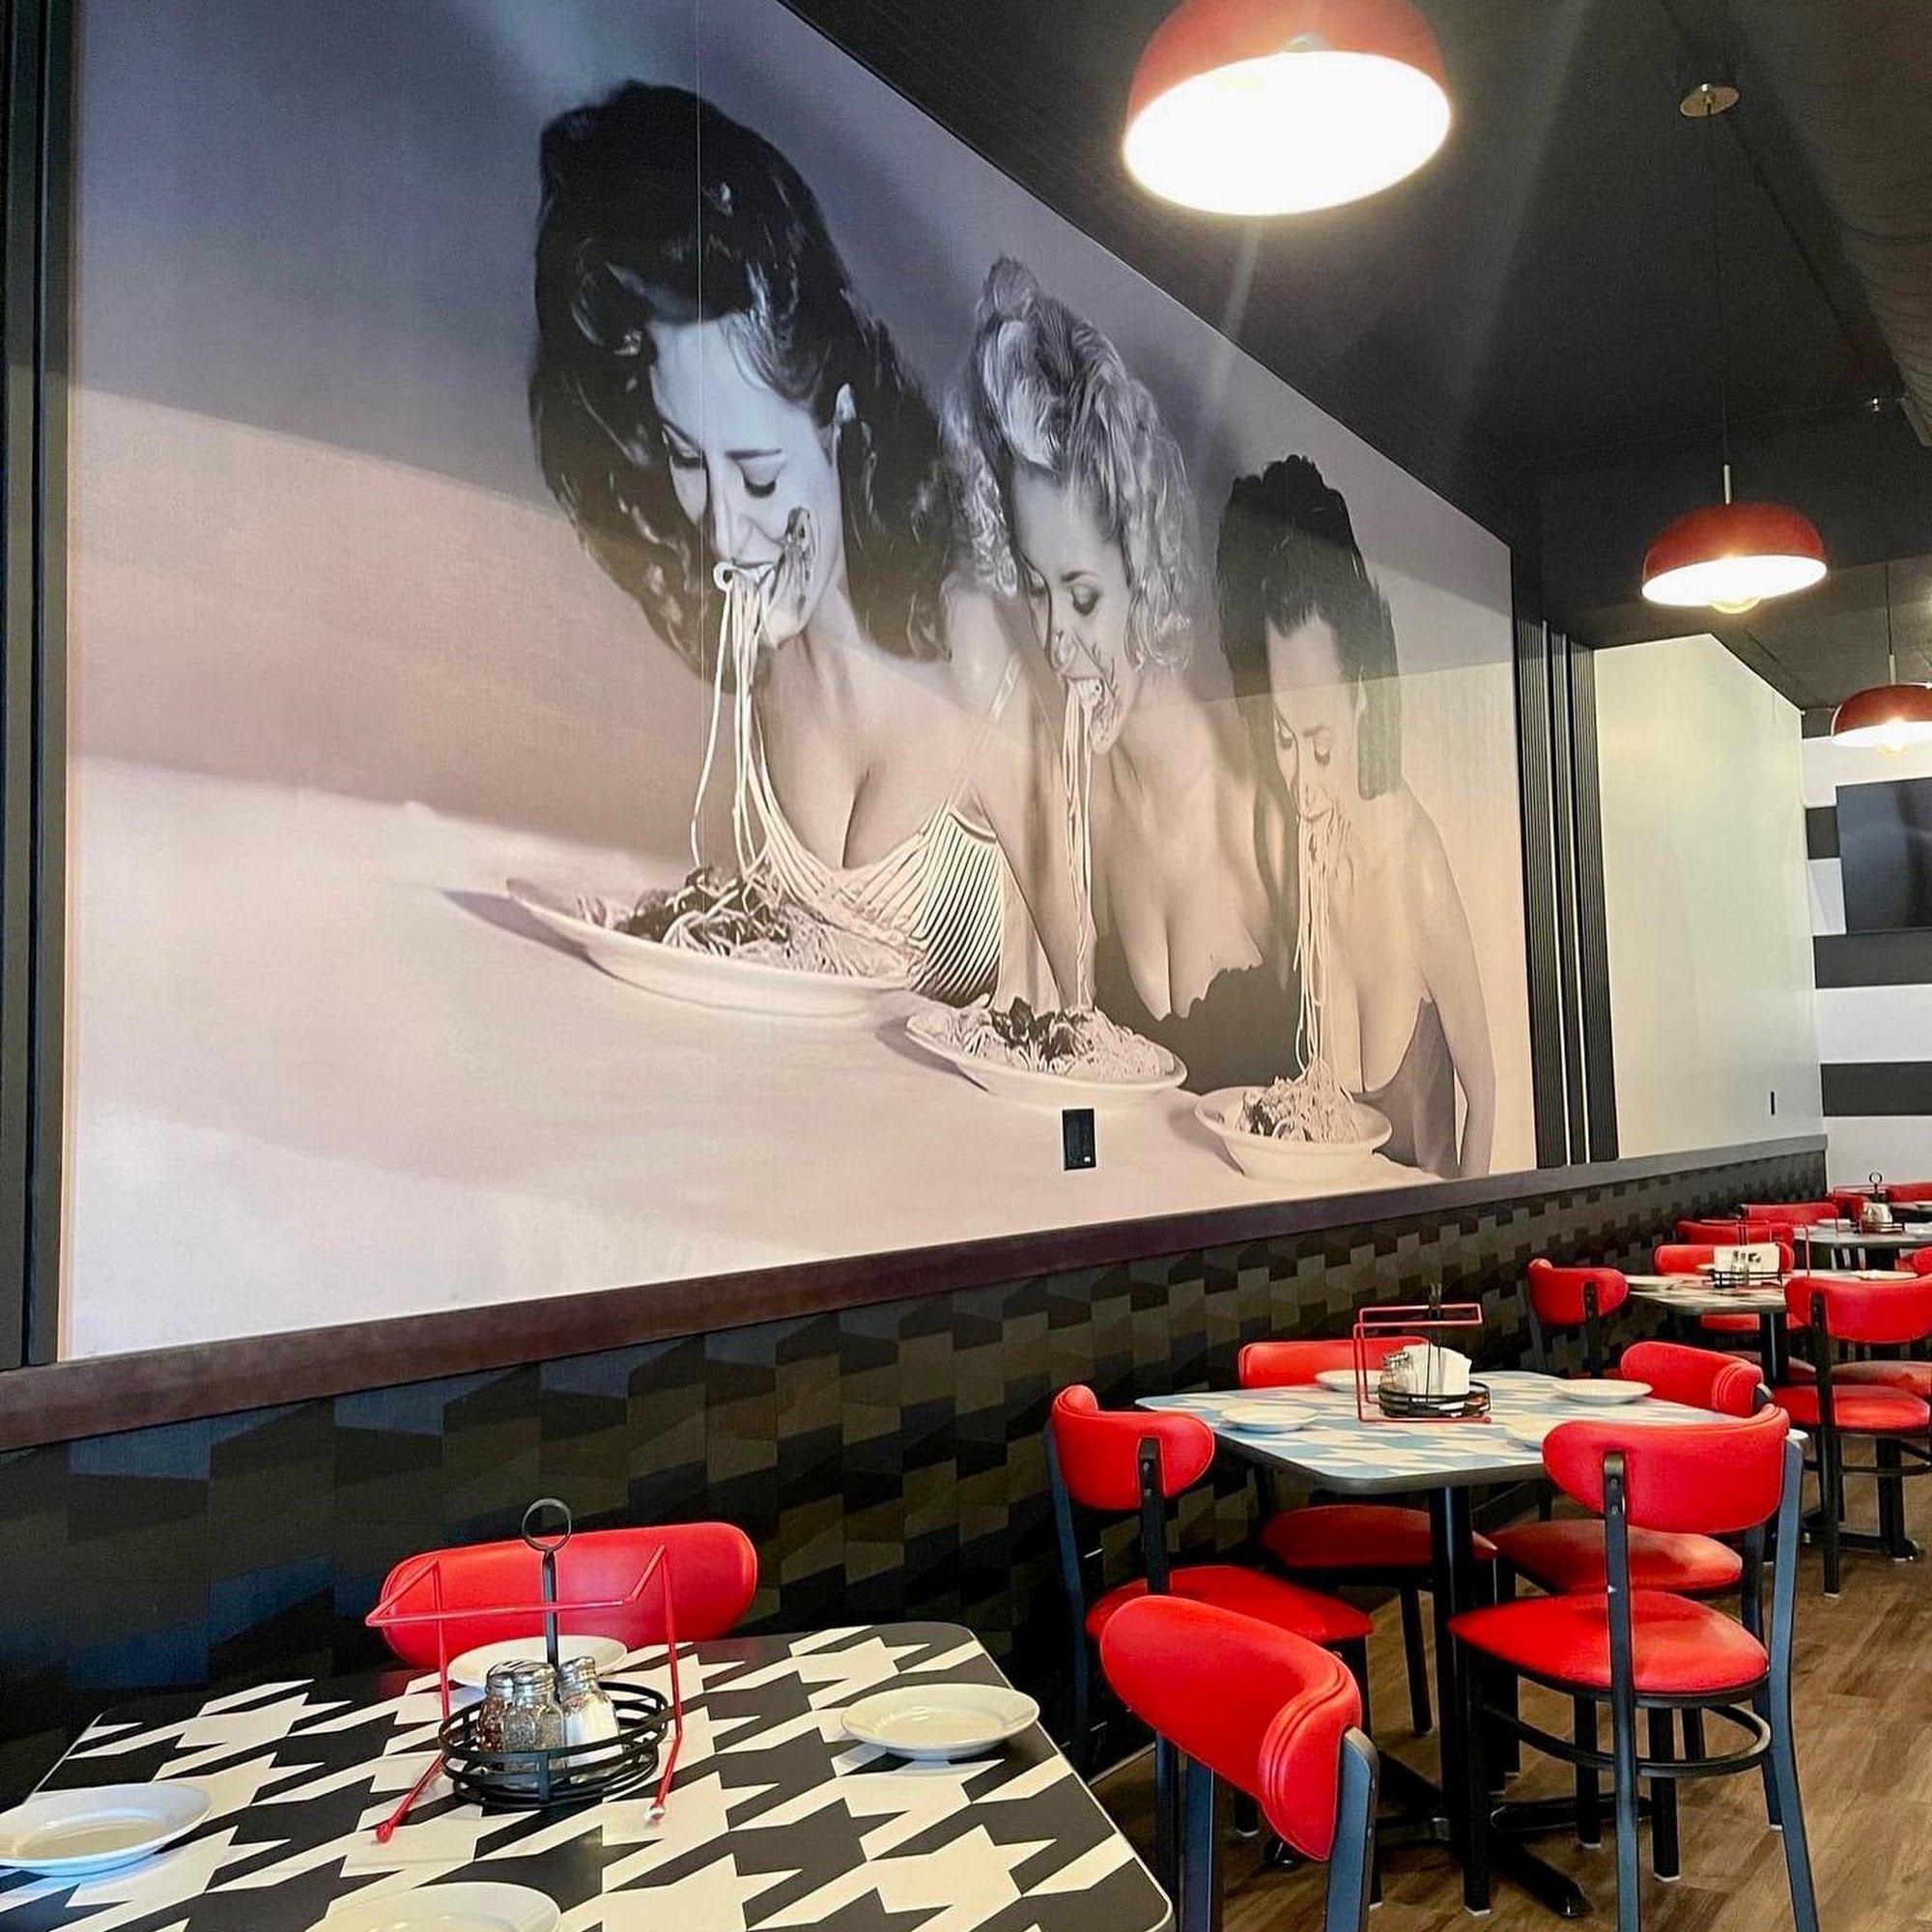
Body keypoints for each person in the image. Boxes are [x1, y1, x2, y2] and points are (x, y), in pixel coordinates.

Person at [529, 85, 1083, 1007]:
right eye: (686, 458)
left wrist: (1070, 1106)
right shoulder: (749, 667)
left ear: (840, 419)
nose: (722, 529)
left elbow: (1082, 1006)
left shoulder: (976, 645)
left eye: (755, 474)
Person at [945, 260, 1291, 1091]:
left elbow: (1392, 1120)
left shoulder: (1265, 814)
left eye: (1084, 596)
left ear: (1148, 571)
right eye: (1037, 589)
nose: (1056, 638)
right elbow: (965, 613)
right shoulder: (1076, 808)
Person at [1216, 456, 1494, 1178]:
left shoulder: (1417, 867)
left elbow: (1484, 1093)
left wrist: (1477, 1227)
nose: (1303, 782)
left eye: (1320, 744)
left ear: (1362, 693)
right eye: (1284, 739)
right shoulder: (1306, 853)